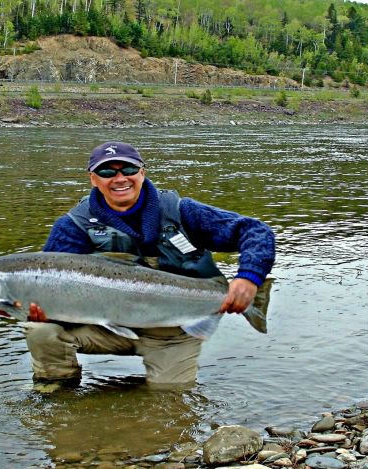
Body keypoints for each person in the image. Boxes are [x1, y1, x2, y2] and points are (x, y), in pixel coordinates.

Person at [23, 141, 275, 384]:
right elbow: (49, 281)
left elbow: (255, 231)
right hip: (107, 330)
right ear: (93, 178)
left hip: (174, 333)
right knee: (41, 330)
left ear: (142, 173)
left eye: (129, 169)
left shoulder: (182, 211)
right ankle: (58, 394)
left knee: (169, 405)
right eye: (107, 171)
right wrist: (36, 308)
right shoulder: (73, 226)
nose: (119, 178)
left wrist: (248, 278)